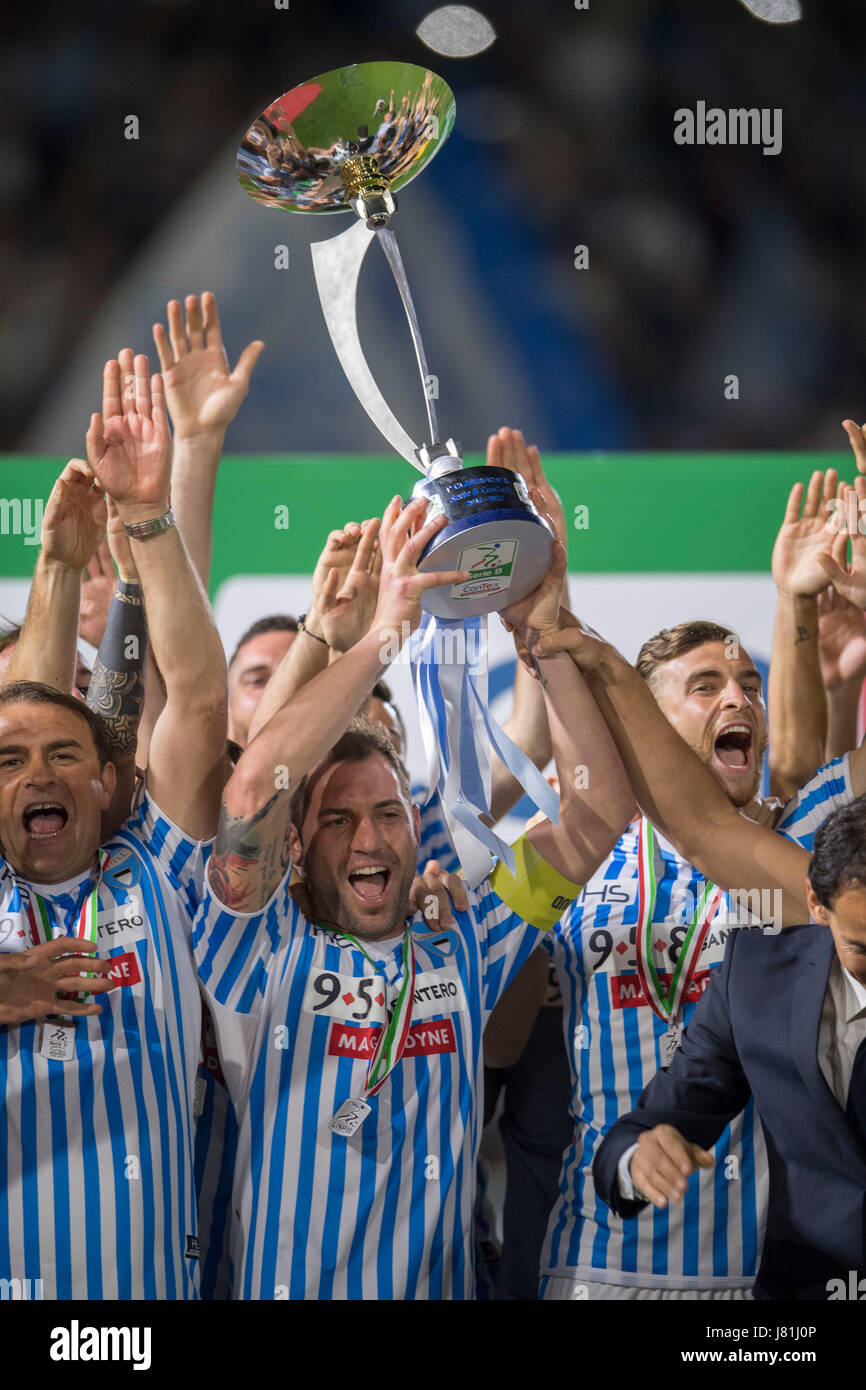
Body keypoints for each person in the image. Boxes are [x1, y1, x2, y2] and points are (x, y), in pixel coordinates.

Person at [192, 496, 635, 1299]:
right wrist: (383, 633)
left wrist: (548, 635)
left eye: (388, 814)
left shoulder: (462, 936)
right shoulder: (253, 945)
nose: (369, 838)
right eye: (338, 818)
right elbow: (253, 787)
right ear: (296, 844)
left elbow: (598, 808)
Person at [0, 352, 227, 1298]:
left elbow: (201, 699)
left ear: (110, 780)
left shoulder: (156, 868)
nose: (36, 776)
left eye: (64, 762)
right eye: (5, 766)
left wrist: (145, 516)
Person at [592, 794, 866, 1301]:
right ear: (815, 903)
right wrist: (639, 1157)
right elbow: (655, 1118)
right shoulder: (756, 976)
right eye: (862, 947)